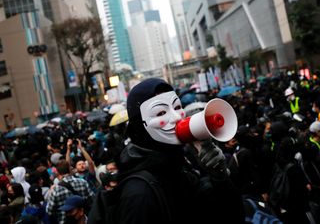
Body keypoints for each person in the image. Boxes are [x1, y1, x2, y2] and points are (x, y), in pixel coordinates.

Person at [89, 78, 244, 224]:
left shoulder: (180, 170)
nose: (177, 117)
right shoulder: (138, 194)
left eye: (177, 107)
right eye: (161, 113)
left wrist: (220, 177)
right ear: (140, 126)